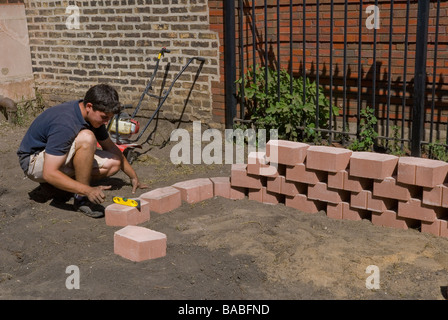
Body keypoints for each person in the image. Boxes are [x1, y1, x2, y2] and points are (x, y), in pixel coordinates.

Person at [17, 84, 148, 218]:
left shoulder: (92, 116)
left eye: (109, 118)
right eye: (104, 117)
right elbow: (49, 172)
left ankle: (60, 187)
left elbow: (111, 148)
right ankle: (80, 199)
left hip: (58, 157)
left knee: (113, 163)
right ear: (89, 106)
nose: (106, 122)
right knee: (87, 138)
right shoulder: (65, 123)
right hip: (34, 163)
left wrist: (133, 176)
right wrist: (87, 190)